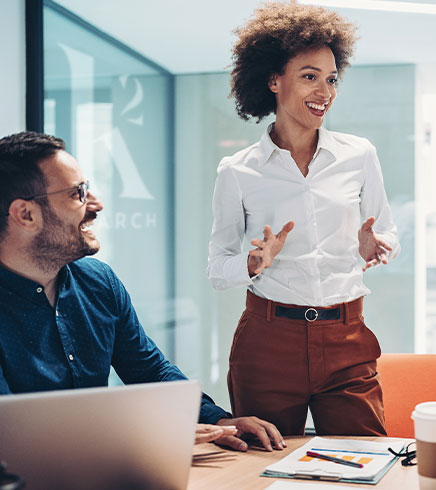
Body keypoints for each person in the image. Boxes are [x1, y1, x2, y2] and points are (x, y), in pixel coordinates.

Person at [0, 131, 285, 452]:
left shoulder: (99, 282)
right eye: (78, 193)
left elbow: (150, 371)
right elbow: (9, 430)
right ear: (26, 214)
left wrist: (218, 421)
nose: (96, 204)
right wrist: (143, 436)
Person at [207, 1, 400, 436]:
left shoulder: (359, 155)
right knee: (262, 467)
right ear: (273, 81)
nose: (325, 92)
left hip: (347, 337)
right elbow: (218, 268)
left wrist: (375, 246)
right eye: (309, 76)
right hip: (267, 341)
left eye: (331, 79)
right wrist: (253, 263)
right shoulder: (237, 171)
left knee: (364, 464)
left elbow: (385, 231)